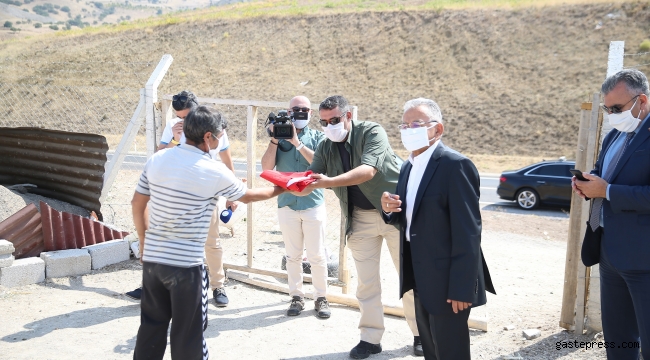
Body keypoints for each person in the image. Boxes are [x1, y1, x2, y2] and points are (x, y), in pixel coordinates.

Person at [131, 105, 286, 360]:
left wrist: (144, 239)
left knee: (151, 329)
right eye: (218, 135)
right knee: (188, 335)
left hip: (154, 263)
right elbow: (247, 196)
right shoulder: (213, 170)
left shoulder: (157, 159)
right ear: (207, 137)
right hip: (186, 268)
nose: (219, 140)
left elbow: (138, 203)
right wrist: (284, 187)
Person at [298, 95, 421, 358]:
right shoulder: (326, 145)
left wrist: (326, 182)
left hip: (395, 212)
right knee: (366, 283)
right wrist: (287, 184)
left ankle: (422, 334)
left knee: (411, 278)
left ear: (348, 116)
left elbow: (367, 171)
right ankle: (370, 338)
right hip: (360, 217)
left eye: (334, 119)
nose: (329, 125)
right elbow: (312, 176)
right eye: (324, 121)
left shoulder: (371, 131)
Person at [381, 98, 495, 360]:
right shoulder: (408, 166)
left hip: (448, 281)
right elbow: (409, 218)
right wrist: (388, 209)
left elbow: (469, 231)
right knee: (430, 347)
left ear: (437, 129)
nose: (409, 129)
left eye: (417, 124)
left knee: (450, 350)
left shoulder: (455, 166)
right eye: (405, 125)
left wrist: (462, 288)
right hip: (419, 274)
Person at [127, 90, 237, 307]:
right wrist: (176, 140)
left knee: (211, 241)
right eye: (179, 117)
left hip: (206, 193)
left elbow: (226, 158)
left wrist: (232, 195)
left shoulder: (213, 126)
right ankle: (155, 285)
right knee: (166, 239)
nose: (183, 121)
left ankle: (217, 286)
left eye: (187, 116)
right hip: (175, 193)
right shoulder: (173, 127)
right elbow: (160, 154)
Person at [573, 68, 650, 360]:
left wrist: (606, 192)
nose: (611, 114)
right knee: (619, 342)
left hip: (644, 260)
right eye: (607, 108)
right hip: (610, 253)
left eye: (616, 108)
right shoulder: (616, 134)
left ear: (641, 100)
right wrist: (588, 182)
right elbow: (604, 173)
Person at [260, 96, 331, 318]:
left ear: (311, 113)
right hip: (288, 204)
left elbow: (321, 164)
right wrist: (274, 139)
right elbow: (266, 167)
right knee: (293, 255)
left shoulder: (319, 137)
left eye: (304, 110)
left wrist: (297, 143)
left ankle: (321, 298)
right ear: (287, 112)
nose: (299, 113)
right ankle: (296, 296)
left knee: (317, 255)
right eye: (295, 110)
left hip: (313, 203)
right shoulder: (278, 138)